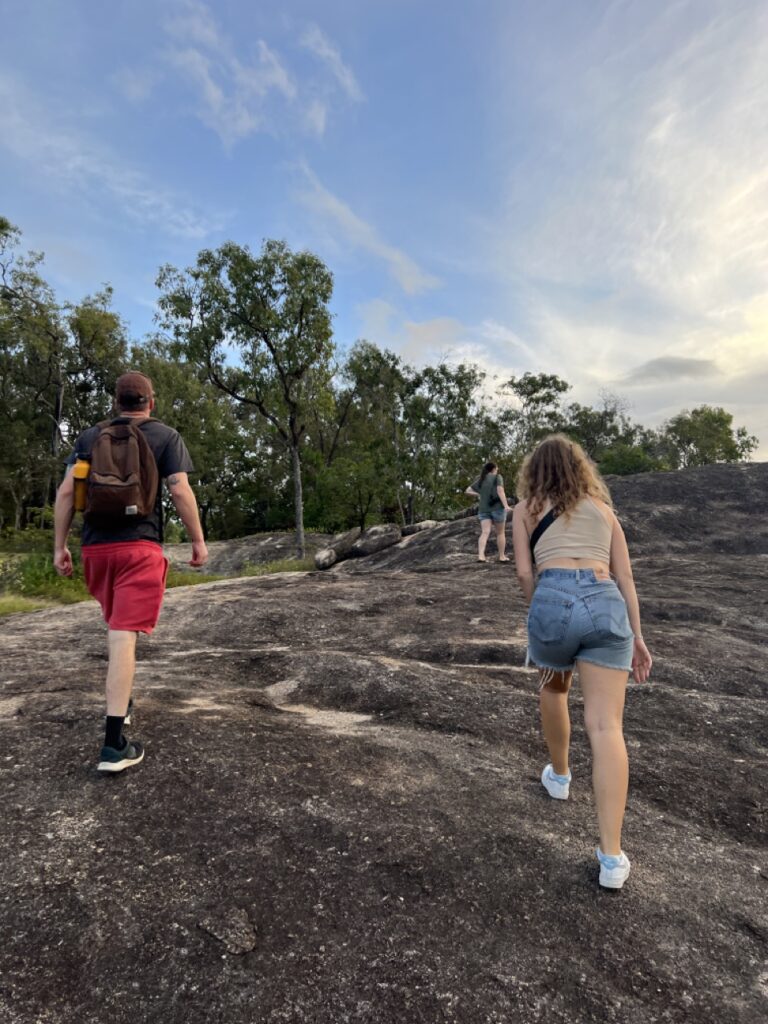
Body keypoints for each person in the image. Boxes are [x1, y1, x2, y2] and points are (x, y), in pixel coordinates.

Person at [511, 434, 652, 889]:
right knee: (607, 727)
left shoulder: (525, 509)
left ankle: (561, 775)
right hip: (605, 602)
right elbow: (625, 576)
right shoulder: (604, 512)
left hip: (551, 601)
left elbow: (523, 572)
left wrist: (542, 613)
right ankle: (611, 857)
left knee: (554, 686)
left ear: (535, 471)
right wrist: (638, 637)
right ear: (580, 468)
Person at [54, 371, 208, 773]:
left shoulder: (90, 437)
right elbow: (178, 489)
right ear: (150, 402)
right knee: (123, 637)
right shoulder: (165, 436)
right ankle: (113, 745)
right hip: (139, 548)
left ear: (117, 402)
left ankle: (123, 706)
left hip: (96, 550)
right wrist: (197, 541)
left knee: (117, 628)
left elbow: (68, 492)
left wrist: (59, 547)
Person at [465, 461, 513, 562]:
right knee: (500, 533)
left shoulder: (481, 479)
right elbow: (500, 491)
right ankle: (502, 556)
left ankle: (481, 556)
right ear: (494, 469)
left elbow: (468, 490)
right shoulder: (497, 477)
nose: (498, 470)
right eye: (497, 468)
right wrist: (506, 505)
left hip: (483, 509)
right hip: (497, 508)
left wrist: (479, 494)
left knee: (485, 532)